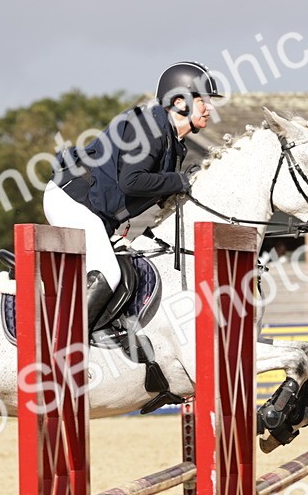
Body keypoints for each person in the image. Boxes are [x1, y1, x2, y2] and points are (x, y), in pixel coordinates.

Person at [46, 60, 222, 329]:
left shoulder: (172, 142)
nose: (209, 108)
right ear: (178, 101)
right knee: (109, 271)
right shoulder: (149, 130)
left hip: (95, 212)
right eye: (202, 101)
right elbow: (132, 182)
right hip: (71, 200)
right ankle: (66, 344)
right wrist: (179, 180)